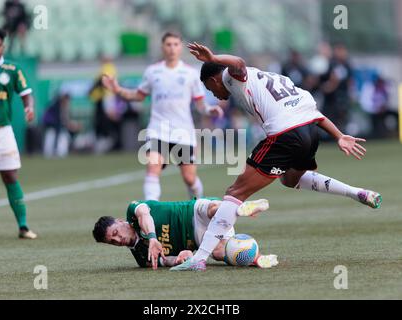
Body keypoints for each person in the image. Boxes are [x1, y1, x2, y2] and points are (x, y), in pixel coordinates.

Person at [170, 42, 382, 271]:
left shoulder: (231, 77)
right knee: (290, 179)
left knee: (234, 193)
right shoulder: (273, 78)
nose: (216, 95)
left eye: (212, 90)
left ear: (213, 80)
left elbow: (239, 64)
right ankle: (357, 192)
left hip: (285, 134)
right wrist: (338, 135)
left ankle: (199, 258)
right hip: (309, 130)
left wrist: (213, 57)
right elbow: (314, 113)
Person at [102, 32, 223, 201]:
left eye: (175, 44)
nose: (172, 48)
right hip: (158, 130)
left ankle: (198, 207)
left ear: (180, 47)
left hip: (183, 132)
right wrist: (118, 90)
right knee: (153, 168)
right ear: (162, 47)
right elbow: (138, 95)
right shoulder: (153, 72)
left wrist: (211, 110)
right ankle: (151, 210)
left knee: (189, 178)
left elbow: (200, 104)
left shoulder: (190, 73)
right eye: (168, 44)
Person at [92, 198, 274, 269]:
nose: (118, 239)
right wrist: (181, 258)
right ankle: (256, 259)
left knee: (213, 209)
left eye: (116, 232)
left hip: (192, 211)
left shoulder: (132, 211)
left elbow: (144, 214)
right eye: (113, 241)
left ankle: (239, 208)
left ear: (119, 221)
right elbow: (167, 261)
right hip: (198, 238)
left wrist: (153, 238)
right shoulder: (142, 257)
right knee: (219, 253)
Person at [0, 28, 36, 239]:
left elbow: (26, 94)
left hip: (3, 131)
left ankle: (23, 226)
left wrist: (29, 108)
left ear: (3, 46)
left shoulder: (13, 69)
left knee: (10, 176)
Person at [42, 92, 82, 158]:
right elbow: (60, 119)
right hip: (50, 123)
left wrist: (71, 125)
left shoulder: (64, 106)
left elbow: (65, 120)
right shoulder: (57, 105)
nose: (67, 101)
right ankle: (55, 149)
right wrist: (70, 125)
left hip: (55, 124)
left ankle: (60, 149)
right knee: (58, 131)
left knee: (63, 132)